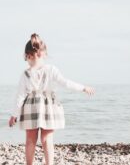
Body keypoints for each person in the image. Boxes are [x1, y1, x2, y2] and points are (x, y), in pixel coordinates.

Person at [8, 33, 95, 165]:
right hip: (49, 107)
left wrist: (14, 115)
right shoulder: (51, 69)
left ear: (28, 55)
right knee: (47, 139)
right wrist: (83, 87)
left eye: (26, 57)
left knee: (30, 140)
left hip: (30, 108)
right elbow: (66, 83)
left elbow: (20, 95)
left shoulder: (26, 74)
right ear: (43, 53)